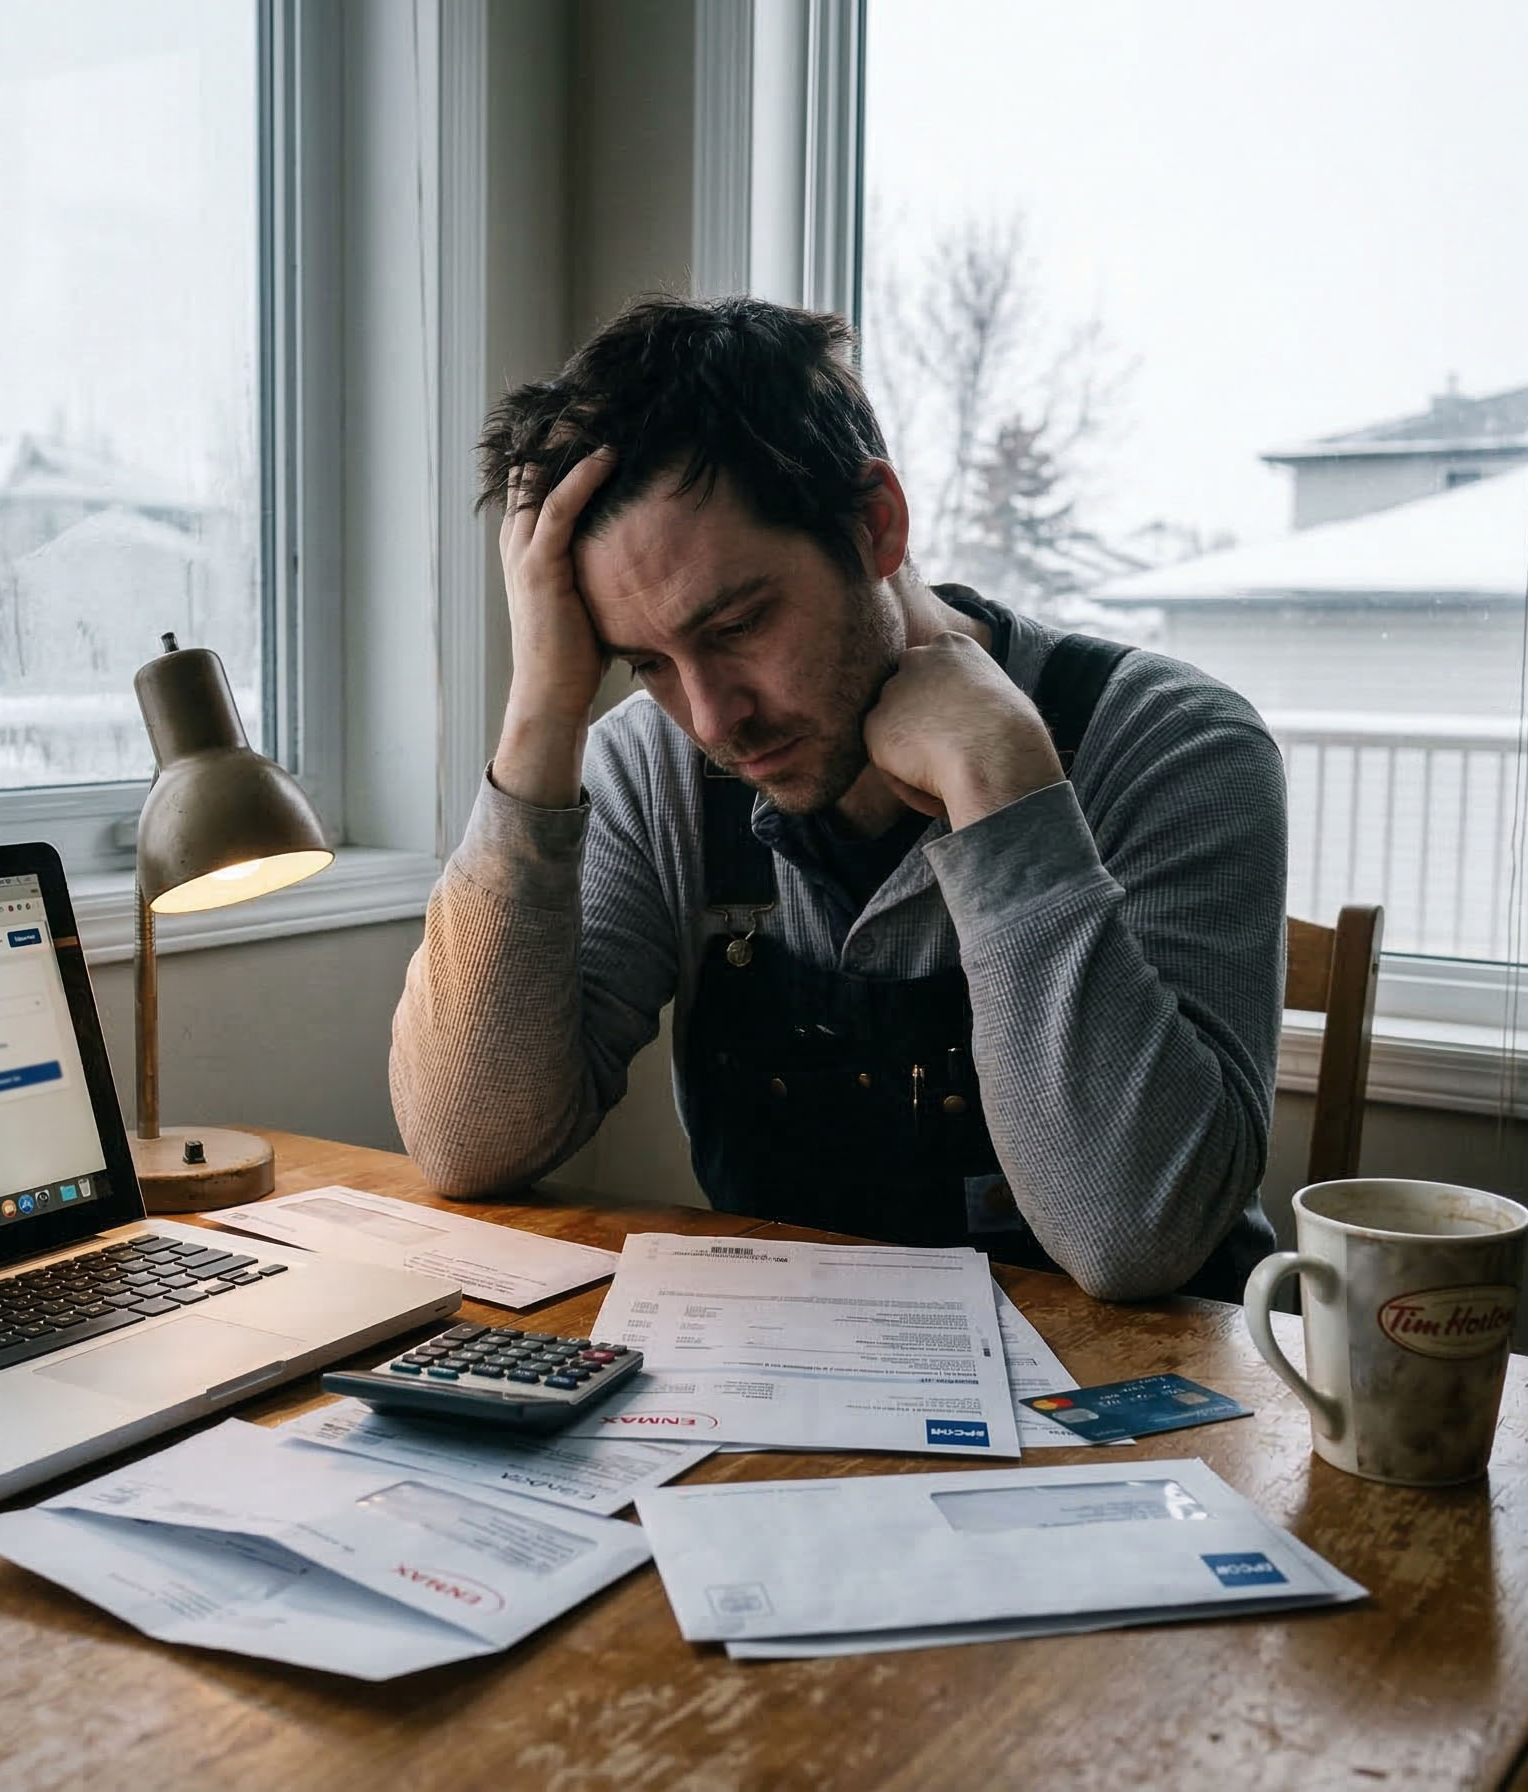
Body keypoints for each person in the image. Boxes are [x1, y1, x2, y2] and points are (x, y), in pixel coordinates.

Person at [388, 295, 1286, 1301]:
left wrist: (1003, 791)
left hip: (1147, 1412)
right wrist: (543, 708)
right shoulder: (654, 767)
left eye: (738, 625)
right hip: (785, 1393)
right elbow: (469, 1141)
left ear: (876, 524)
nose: (714, 718)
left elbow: (1135, 1239)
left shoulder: (1176, 743)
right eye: (645, 661)